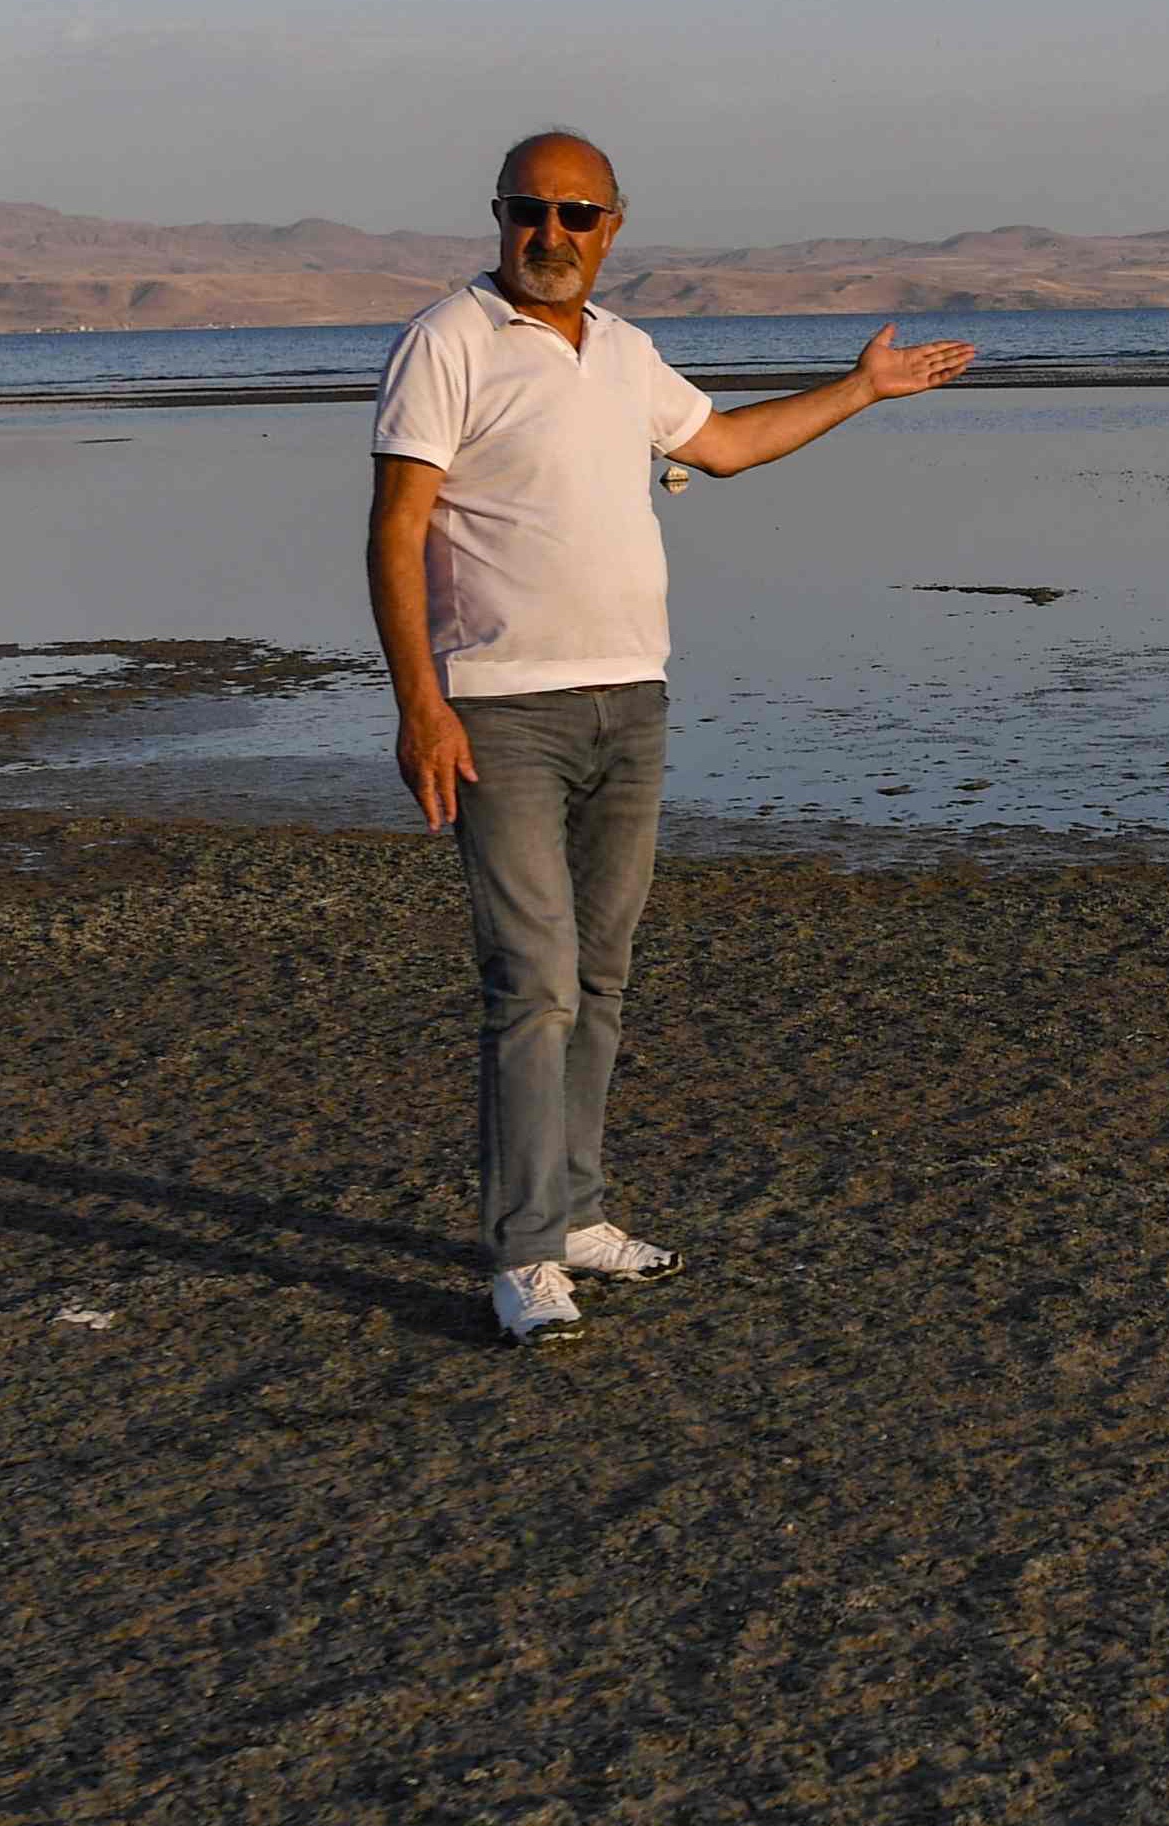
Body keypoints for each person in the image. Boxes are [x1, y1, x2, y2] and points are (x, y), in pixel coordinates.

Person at [364, 128, 974, 1343]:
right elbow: (395, 527)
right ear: (499, 217)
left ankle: (578, 1214)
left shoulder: (626, 353)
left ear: (613, 226)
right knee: (529, 982)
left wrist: (861, 391)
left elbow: (726, 447)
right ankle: (525, 1251)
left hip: (630, 702)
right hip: (503, 707)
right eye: (530, 212)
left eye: (577, 215)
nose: (552, 236)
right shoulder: (449, 340)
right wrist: (420, 702)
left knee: (601, 971)